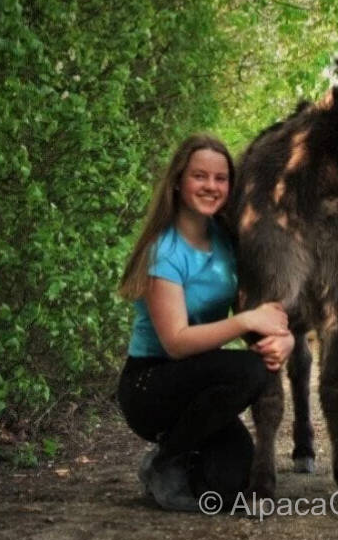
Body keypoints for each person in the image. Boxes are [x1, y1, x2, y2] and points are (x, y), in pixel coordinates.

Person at [115, 133, 294, 511]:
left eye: (220, 178)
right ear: (179, 180)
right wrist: (246, 319)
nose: (211, 186)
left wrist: (284, 339)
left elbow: (267, 309)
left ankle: (173, 460)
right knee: (249, 370)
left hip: (199, 385)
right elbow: (176, 342)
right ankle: (168, 460)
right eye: (200, 176)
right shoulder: (164, 251)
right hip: (151, 386)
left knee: (228, 489)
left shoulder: (227, 241)